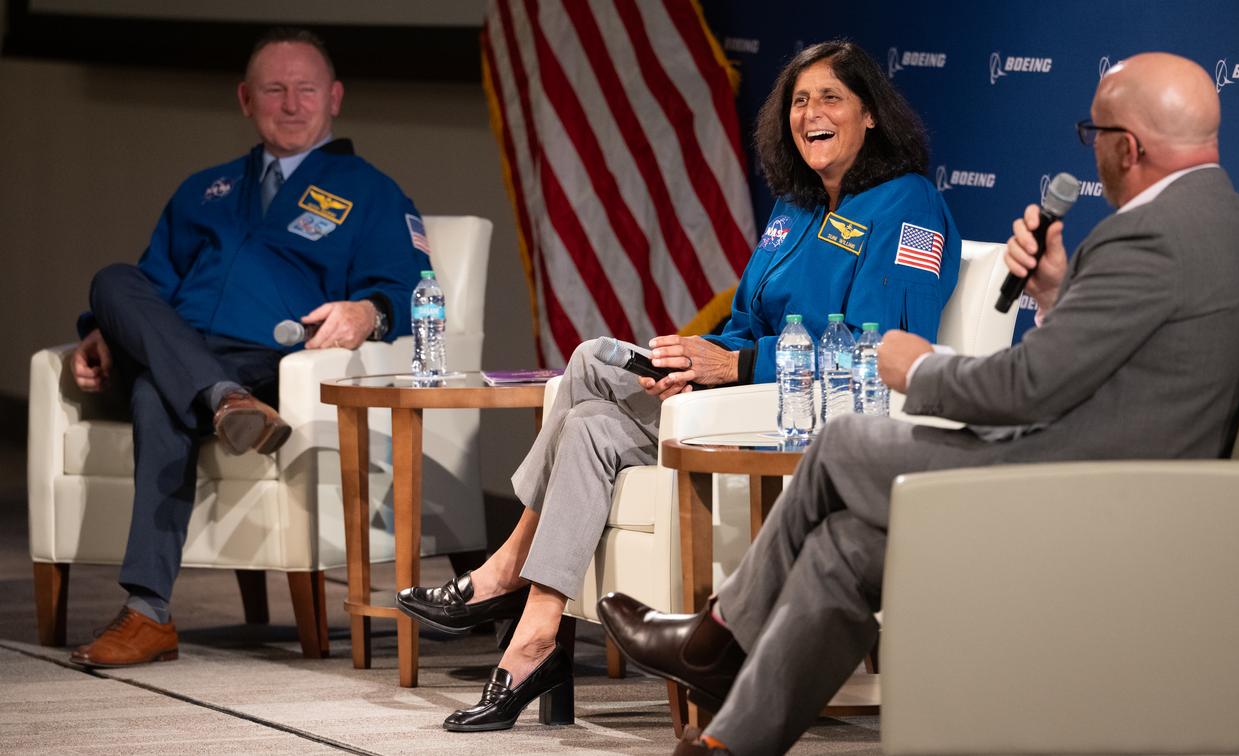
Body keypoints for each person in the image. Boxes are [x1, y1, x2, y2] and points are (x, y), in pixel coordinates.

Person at [596, 51, 1239, 755]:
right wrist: (1053, 290)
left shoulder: (1142, 236)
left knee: (842, 444)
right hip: (1146, 488)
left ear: (1126, 147)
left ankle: (717, 637)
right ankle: (728, 742)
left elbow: (1027, 388)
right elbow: (1128, 367)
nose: (1093, 152)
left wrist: (917, 369)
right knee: (844, 548)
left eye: (1092, 134)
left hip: (1082, 494)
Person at [396, 40, 961, 732]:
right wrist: (694, 358)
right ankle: (534, 626)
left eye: (830, 98)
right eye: (799, 102)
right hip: (739, 397)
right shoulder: (793, 209)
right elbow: (749, 322)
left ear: (871, 114)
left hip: (809, 416)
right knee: (592, 382)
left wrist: (736, 367)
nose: (810, 114)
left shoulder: (908, 206)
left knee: (587, 395)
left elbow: (884, 348)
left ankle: (513, 587)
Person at [68, 28, 427, 668]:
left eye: (306, 89)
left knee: (157, 392)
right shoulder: (204, 188)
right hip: (185, 351)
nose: (290, 104)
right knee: (111, 282)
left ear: (335, 97)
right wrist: (105, 330)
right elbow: (147, 287)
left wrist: (366, 311)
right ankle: (218, 399)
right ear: (244, 99)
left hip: (265, 365)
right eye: (273, 89)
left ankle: (147, 613)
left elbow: (409, 291)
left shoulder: (371, 192)